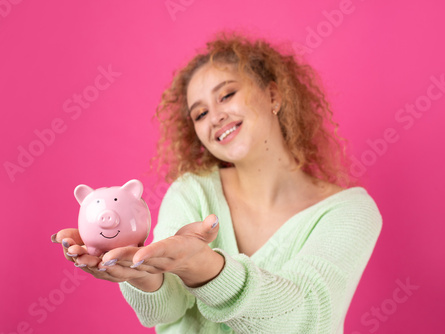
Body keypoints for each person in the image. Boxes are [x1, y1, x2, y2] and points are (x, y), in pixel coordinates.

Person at [52, 32, 383, 333]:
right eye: (199, 114)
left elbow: (306, 315)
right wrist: (143, 274)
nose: (216, 117)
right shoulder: (192, 190)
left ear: (273, 95)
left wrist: (204, 267)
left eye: (227, 95)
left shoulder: (350, 212)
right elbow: (165, 311)